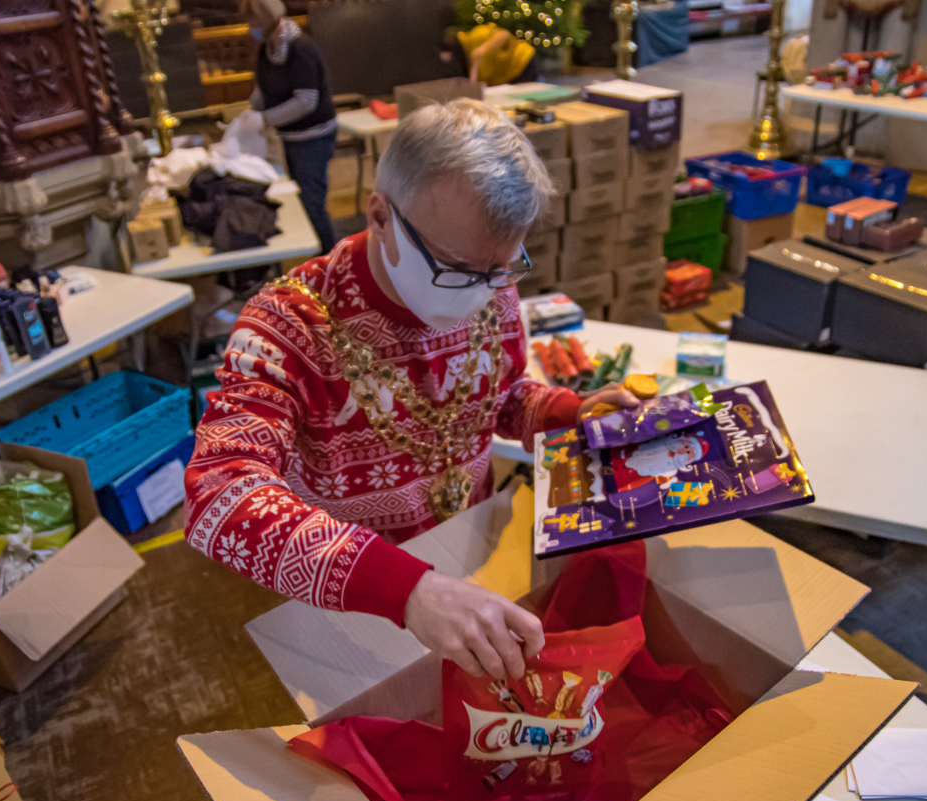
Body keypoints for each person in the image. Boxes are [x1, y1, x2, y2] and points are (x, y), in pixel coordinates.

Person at [185, 100, 637, 680]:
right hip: (355, 596)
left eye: (502, 269)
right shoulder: (286, 327)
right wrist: (407, 591)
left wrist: (567, 413)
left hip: (468, 555)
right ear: (380, 216)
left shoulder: (486, 281)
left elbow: (497, 400)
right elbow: (220, 498)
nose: (481, 292)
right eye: (455, 269)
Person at [243, 0, 337, 253]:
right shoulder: (267, 50)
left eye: (253, 21)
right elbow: (262, 89)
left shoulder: (300, 49)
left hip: (314, 137)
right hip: (290, 137)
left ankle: (331, 261)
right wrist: (247, 114)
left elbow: (306, 101)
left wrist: (263, 120)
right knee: (299, 201)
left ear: (265, 20)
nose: (250, 27)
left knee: (311, 203)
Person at [456, 23, 539, 86]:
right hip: (513, 68)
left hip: (522, 60)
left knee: (525, 101)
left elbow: (504, 34)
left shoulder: (477, 36)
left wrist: (484, 48)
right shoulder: (470, 56)